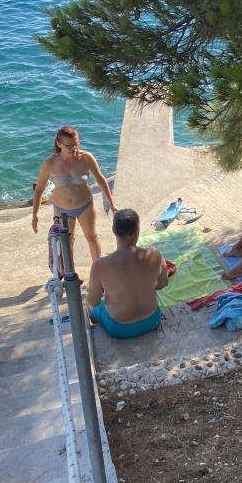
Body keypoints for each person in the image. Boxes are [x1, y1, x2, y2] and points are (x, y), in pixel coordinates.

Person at [31, 125, 117, 263]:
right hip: (61, 209)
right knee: (67, 241)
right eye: (69, 145)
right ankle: (70, 273)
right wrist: (35, 214)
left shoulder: (86, 158)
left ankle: (98, 270)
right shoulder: (50, 163)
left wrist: (112, 203)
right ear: (59, 144)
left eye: (76, 144)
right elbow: (39, 189)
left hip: (85, 206)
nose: (73, 148)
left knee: (92, 238)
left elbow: (100, 180)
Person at [86, 209, 168, 339]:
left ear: (113, 230)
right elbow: (163, 284)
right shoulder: (155, 254)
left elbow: (93, 301)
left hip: (118, 329)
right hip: (152, 321)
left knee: (89, 305)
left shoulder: (100, 265)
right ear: (137, 231)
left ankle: (96, 327)